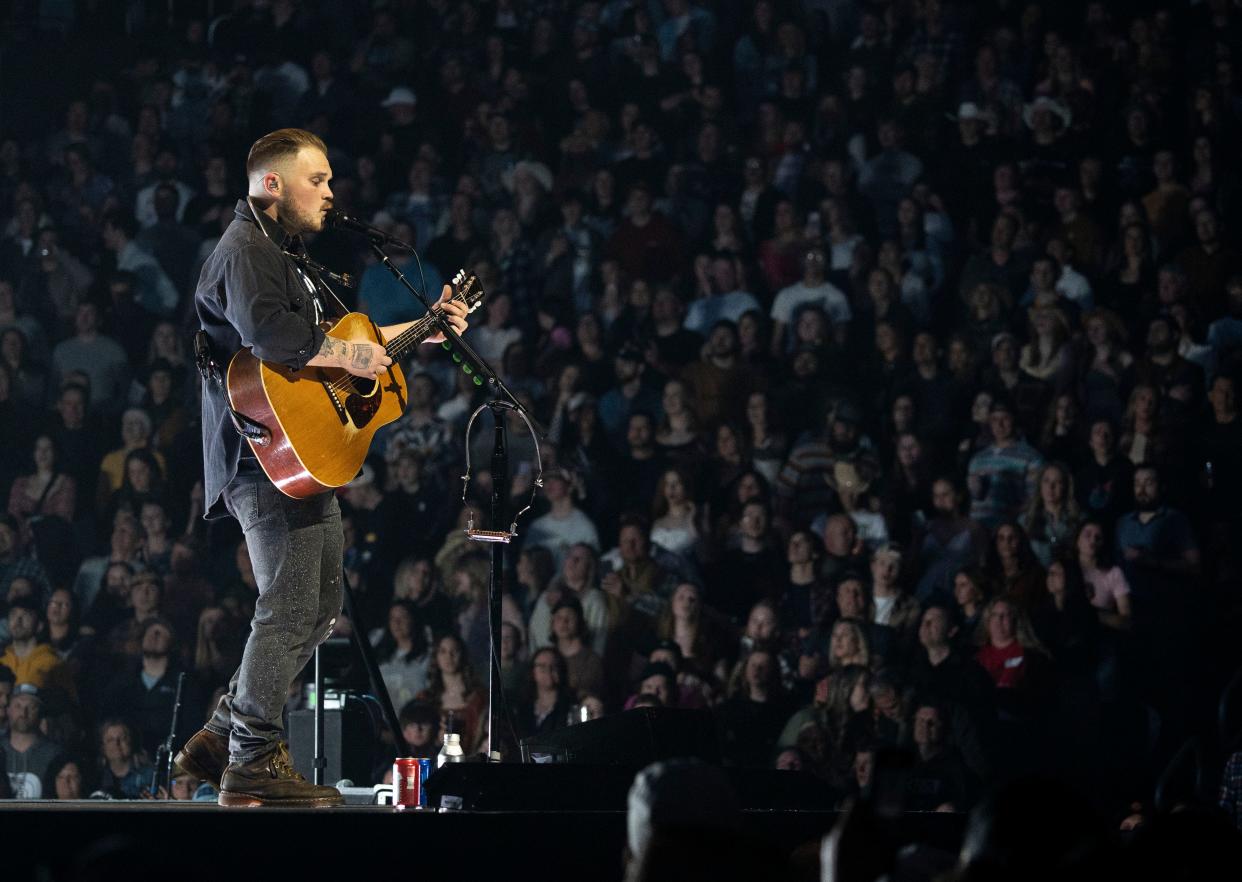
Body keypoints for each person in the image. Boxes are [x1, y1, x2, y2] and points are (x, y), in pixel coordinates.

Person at [179, 128, 470, 807]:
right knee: (285, 607)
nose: (332, 192)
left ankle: (225, 731)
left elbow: (349, 350)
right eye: (319, 179)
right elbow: (276, 340)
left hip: (305, 451)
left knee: (320, 608)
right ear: (272, 185)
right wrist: (358, 358)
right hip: (266, 454)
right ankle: (251, 760)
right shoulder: (246, 249)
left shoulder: (289, 253)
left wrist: (426, 327)